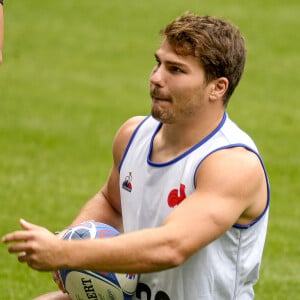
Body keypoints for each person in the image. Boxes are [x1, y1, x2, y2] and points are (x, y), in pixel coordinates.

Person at [2, 12, 270, 300]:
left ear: (217, 87)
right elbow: (112, 202)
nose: (156, 78)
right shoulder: (133, 136)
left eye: (176, 70)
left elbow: (171, 246)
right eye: (158, 63)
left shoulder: (232, 164)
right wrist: (72, 237)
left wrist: (65, 252)